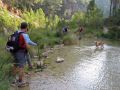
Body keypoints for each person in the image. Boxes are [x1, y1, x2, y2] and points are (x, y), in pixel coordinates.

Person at [12, 22, 37, 86]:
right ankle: (20, 81)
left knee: (15, 65)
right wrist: (35, 44)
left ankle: (13, 80)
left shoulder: (16, 32)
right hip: (21, 52)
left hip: (14, 51)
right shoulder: (25, 34)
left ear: (21, 26)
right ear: (26, 27)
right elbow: (29, 42)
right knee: (21, 67)